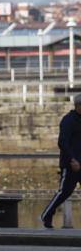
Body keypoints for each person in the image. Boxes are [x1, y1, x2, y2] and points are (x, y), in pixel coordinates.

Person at [40, 94, 81, 229]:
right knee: (64, 192)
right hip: (71, 164)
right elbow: (62, 142)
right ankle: (47, 215)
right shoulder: (68, 120)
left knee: (65, 192)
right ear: (78, 106)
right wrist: (72, 159)